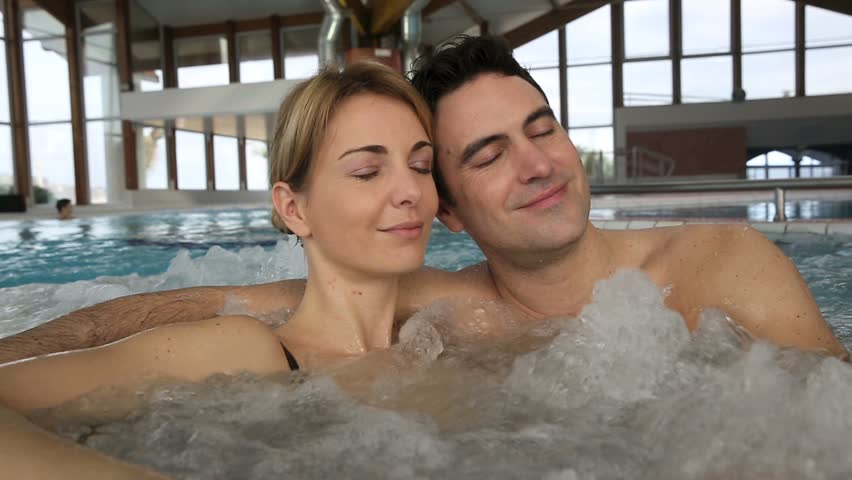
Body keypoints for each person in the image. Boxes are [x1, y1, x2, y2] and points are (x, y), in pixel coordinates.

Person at [0, 35, 846, 365]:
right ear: (449, 211)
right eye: (489, 154)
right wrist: (21, 350)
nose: (538, 164)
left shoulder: (720, 262)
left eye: (542, 129)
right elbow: (204, 303)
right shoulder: (449, 308)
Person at [0, 61, 437, 473]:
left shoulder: (443, 337)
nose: (411, 190)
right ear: (293, 208)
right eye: (366, 171)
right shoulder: (246, 350)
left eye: (421, 166)